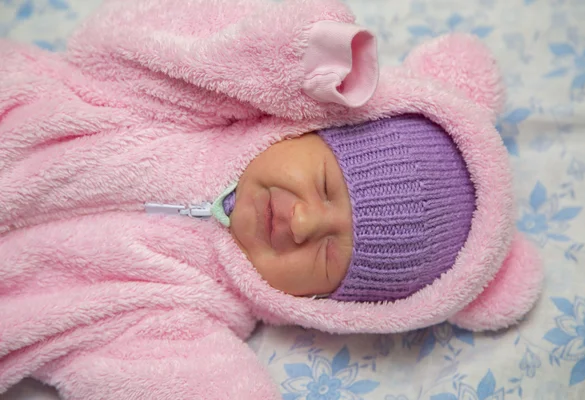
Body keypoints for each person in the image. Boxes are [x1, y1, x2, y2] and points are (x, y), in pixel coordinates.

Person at [0, 0, 543, 398]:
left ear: (323, 308)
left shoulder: (189, 311)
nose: (303, 221)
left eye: (330, 255)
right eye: (327, 184)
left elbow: (166, 378)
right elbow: (122, 41)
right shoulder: (193, 104)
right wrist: (297, 57)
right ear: (306, 129)